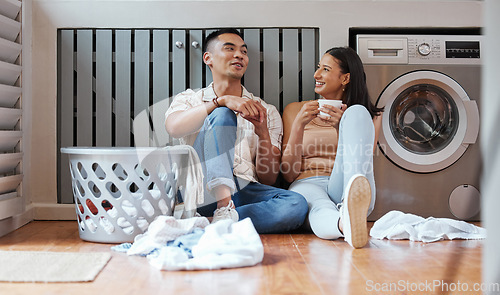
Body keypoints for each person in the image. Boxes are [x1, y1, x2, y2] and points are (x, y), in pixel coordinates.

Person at [165, 28, 308, 233]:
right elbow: (174, 128)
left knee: (296, 205)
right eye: (230, 49)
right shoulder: (189, 99)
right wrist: (219, 102)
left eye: (243, 51)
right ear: (208, 58)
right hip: (198, 191)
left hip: (244, 189)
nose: (239, 55)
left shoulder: (265, 110)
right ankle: (223, 207)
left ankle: (210, 222)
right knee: (223, 115)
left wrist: (263, 133)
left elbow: (268, 178)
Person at [281, 47, 383, 248]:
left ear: (345, 79)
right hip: (308, 183)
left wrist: (341, 128)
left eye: (325, 69)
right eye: (318, 68)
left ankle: (351, 201)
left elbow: (363, 161)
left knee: (357, 112)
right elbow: (288, 175)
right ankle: (346, 225)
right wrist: (299, 125)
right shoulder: (295, 110)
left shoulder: (369, 117)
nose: (316, 74)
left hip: (347, 182)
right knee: (319, 206)